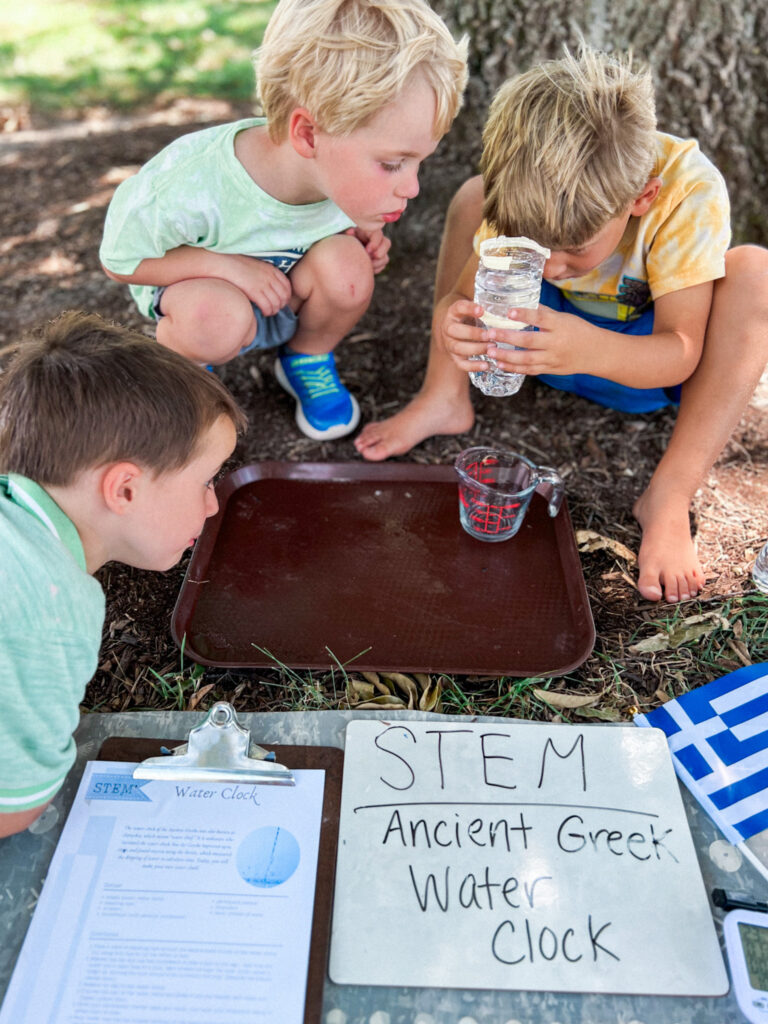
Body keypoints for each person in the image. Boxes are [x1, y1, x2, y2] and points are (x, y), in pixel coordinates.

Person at [356, 46, 768, 603]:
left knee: (756, 272)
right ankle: (442, 396)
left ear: (641, 196)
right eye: (530, 242)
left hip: (643, 366)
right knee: (471, 197)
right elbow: (462, 294)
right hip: (537, 344)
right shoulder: (520, 187)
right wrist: (453, 320)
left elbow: (682, 350)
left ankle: (669, 495)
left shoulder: (684, 192)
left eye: (574, 248)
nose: (550, 265)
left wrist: (586, 349)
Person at [100, 0, 467, 442]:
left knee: (349, 270)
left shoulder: (333, 169)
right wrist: (228, 267)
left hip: (284, 298)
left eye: (418, 163)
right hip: (207, 299)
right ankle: (189, 377)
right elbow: (120, 260)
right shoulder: (192, 181)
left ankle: (306, 359)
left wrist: (364, 231)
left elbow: (339, 225)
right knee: (210, 318)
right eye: (392, 165)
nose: (413, 188)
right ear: (308, 134)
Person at [0, 311, 247, 838]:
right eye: (205, 482)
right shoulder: (50, 609)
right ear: (124, 490)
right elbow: (13, 806)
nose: (211, 506)